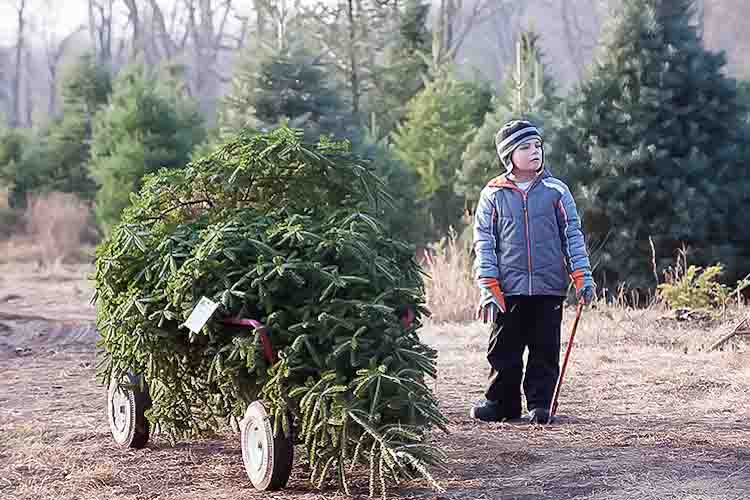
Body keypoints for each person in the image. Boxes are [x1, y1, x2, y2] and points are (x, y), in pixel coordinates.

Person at [470, 119, 595, 425]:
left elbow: (572, 235)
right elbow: (484, 242)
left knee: (544, 348)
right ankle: (501, 403)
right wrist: (488, 284)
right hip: (507, 289)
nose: (534, 151)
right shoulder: (493, 194)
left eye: (537, 145)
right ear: (508, 155)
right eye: (524, 147)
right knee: (503, 350)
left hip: (548, 286)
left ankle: (540, 404)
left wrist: (582, 275)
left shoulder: (555, 191)